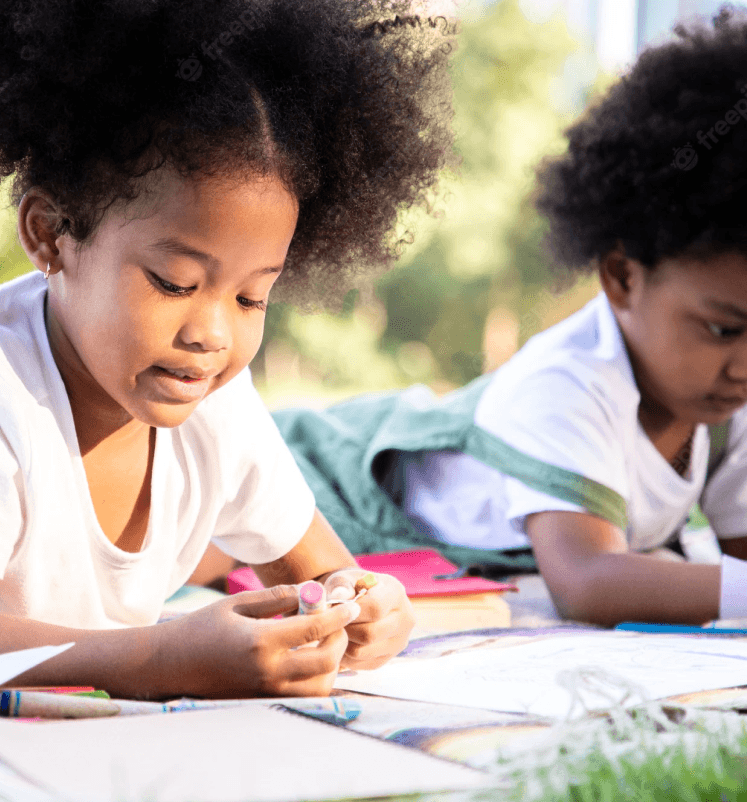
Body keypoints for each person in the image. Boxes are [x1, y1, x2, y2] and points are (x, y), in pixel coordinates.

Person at [0, 0, 456, 698]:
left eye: (251, 298)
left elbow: (320, 571)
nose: (211, 334)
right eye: (174, 282)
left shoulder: (216, 401)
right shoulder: (9, 396)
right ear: (51, 233)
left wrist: (359, 607)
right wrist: (160, 658)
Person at [274, 6, 747, 628]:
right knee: (190, 548)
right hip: (331, 487)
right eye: (722, 329)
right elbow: (588, 583)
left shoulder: (724, 404)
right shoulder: (567, 383)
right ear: (622, 276)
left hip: (437, 549)